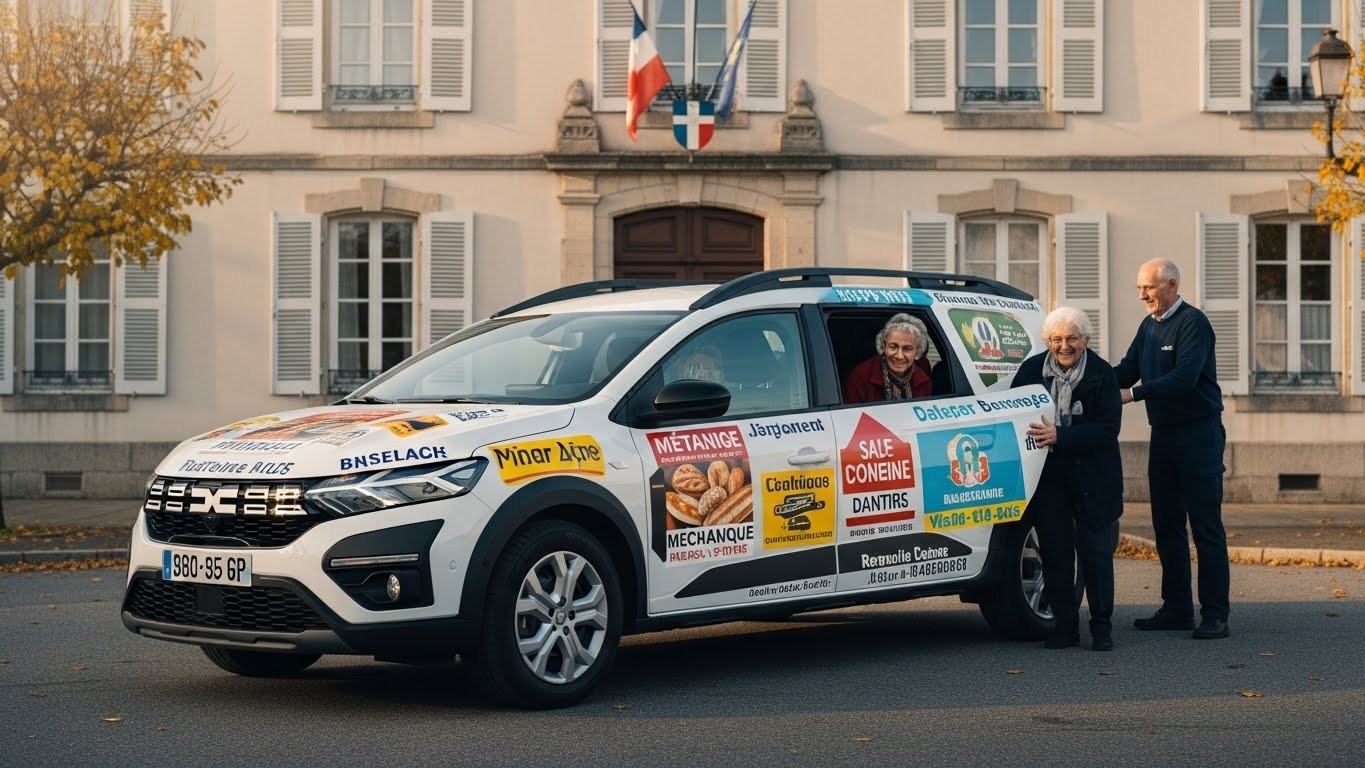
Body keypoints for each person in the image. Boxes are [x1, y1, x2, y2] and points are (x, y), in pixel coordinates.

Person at [1115, 258, 1231, 640]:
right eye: (1139, 288)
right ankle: (1178, 609)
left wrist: (1134, 394)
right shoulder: (1148, 326)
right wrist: (1081, 374)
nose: (1142, 295)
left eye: (1148, 287)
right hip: (1163, 435)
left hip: (1199, 435)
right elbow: (1124, 370)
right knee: (1166, 526)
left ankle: (1215, 614)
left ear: (1170, 285)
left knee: (1205, 528)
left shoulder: (1193, 323)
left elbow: (1183, 378)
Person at [1013, 307, 1123, 651]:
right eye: (1057, 339)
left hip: (1094, 476)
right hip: (1048, 477)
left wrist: (1062, 436)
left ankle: (1101, 627)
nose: (1064, 345)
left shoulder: (1103, 374)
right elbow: (1015, 414)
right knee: (1056, 553)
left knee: (1096, 555)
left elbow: (1108, 430)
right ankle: (1064, 627)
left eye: (1072, 338)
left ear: (1085, 340)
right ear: (1047, 341)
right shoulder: (1031, 370)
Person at [843, 313, 932, 404]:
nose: (899, 356)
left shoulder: (923, 382)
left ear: (917, 351)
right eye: (893, 347)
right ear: (883, 346)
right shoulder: (861, 377)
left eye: (907, 349)